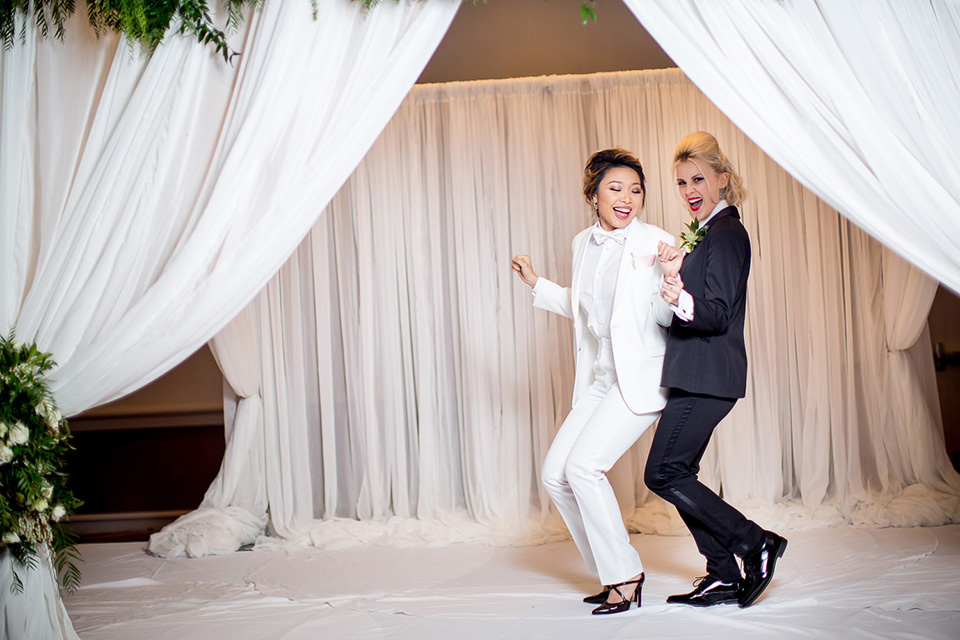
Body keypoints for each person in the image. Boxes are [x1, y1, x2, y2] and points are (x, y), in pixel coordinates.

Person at [512, 148, 676, 615]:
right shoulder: (582, 242)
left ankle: (625, 574)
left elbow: (664, 316)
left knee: (583, 468)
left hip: (639, 378)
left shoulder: (658, 242)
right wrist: (537, 284)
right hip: (600, 377)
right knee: (555, 475)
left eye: (636, 190)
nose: (627, 198)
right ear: (594, 194)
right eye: (616, 188)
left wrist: (671, 277)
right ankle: (611, 571)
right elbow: (586, 308)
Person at [645, 132, 786, 608]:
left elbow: (718, 312)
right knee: (679, 471)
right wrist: (674, 275)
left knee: (663, 472)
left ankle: (755, 542)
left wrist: (679, 296)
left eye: (698, 178)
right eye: (681, 182)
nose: (688, 190)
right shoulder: (706, 233)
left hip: (708, 376)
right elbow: (700, 299)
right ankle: (723, 574)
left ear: (722, 180)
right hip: (697, 374)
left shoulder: (727, 233)